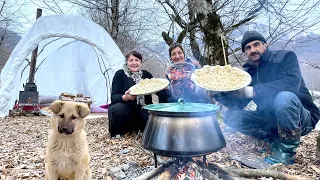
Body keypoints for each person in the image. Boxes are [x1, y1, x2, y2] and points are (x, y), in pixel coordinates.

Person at [214, 31, 320, 165]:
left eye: (256, 44)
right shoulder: (248, 74)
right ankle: (272, 139)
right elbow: (238, 104)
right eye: (248, 48)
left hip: (301, 117)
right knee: (231, 115)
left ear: (265, 45)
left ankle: (286, 153)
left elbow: (292, 83)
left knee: (284, 97)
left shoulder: (285, 57)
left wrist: (252, 91)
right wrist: (219, 92)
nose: (253, 50)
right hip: (269, 120)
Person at [108, 51, 154, 137]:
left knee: (150, 113)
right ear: (127, 62)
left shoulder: (147, 75)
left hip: (142, 109)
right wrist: (125, 97)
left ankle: (140, 130)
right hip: (125, 110)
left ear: (141, 62)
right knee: (118, 109)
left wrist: (166, 88)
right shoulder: (120, 74)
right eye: (131, 60)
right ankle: (118, 134)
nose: (134, 63)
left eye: (137, 60)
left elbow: (158, 90)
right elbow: (113, 97)